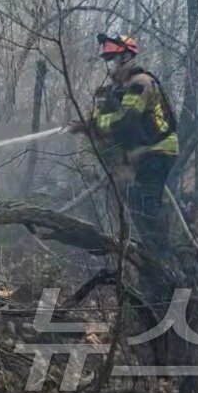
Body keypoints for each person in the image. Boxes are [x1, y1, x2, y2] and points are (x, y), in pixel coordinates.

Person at [69, 33, 179, 256]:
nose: (110, 66)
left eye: (113, 59)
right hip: (139, 153)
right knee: (135, 205)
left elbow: (125, 121)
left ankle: (164, 256)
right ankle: (150, 254)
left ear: (127, 57)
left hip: (158, 151)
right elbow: (104, 118)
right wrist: (86, 124)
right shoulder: (116, 89)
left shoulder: (140, 83)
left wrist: (93, 124)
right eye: (107, 60)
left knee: (147, 203)